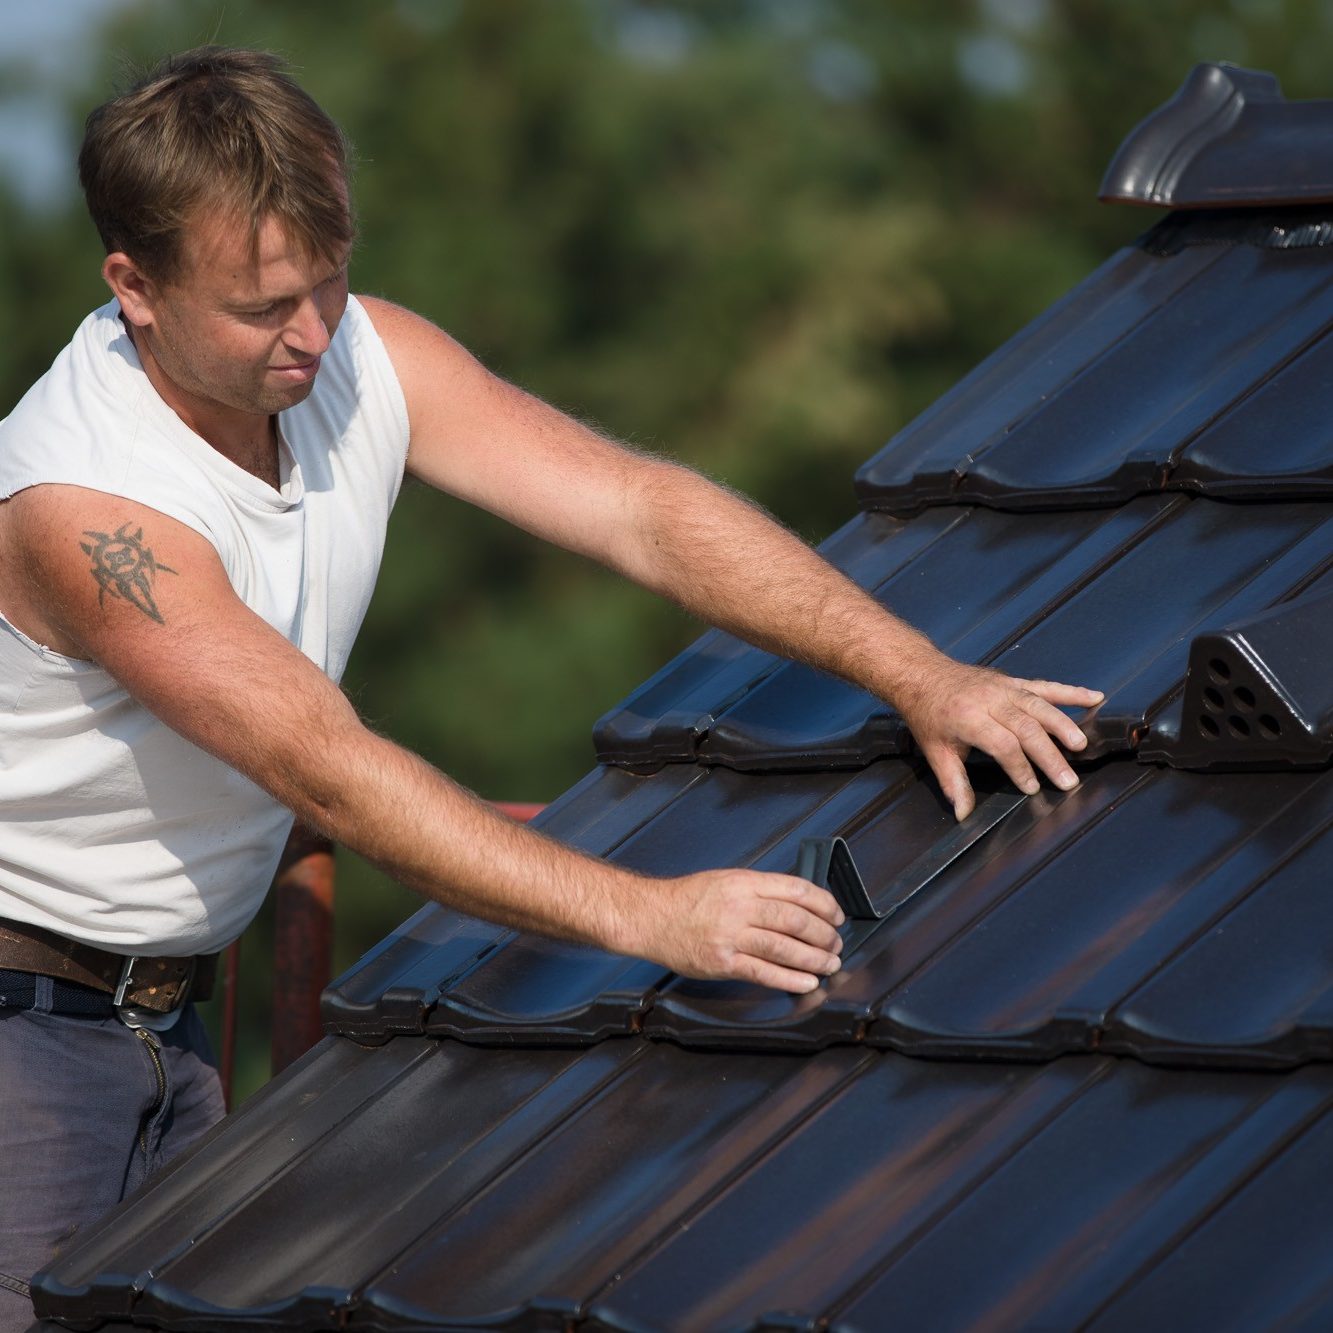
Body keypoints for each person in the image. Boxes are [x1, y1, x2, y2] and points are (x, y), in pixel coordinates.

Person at [0, 46, 1102, 1327]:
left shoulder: (361, 355)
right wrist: (658, 919)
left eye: (329, 280)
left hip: (167, 1015)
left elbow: (638, 508)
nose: (312, 334)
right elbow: (330, 772)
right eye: (261, 310)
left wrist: (920, 672)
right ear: (133, 287)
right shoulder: (87, 509)